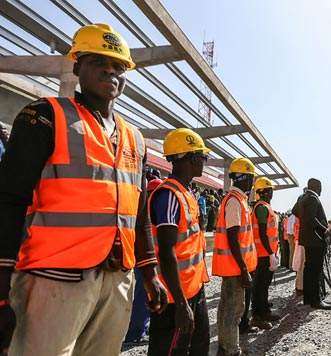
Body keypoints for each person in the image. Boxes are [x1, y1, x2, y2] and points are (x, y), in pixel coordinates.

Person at [0, 23, 168, 355]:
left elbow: (139, 211)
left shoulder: (134, 138)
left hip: (117, 278)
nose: (110, 70)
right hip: (54, 279)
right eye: (97, 61)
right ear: (77, 66)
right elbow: (9, 200)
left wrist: (150, 272)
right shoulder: (45, 117)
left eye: (118, 65)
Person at [147, 129, 211, 355]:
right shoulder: (169, 196)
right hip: (175, 298)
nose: (204, 162)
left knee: (199, 345)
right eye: (203, 157)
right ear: (192, 158)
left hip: (193, 289)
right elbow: (166, 252)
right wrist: (182, 304)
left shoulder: (186, 192)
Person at [212, 158, 257, 356]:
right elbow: (233, 238)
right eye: (251, 178)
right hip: (235, 267)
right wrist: (244, 269)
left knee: (226, 308)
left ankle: (225, 346)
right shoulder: (234, 202)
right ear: (244, 178)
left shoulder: (237, 201)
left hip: (233, 266)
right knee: (234, 310)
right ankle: (232, 350)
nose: (252, 183)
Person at [124, 177, 163, 344]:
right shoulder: (153, 211)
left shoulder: (144, 209)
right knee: (143, 296)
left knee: (141, 295)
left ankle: (138, 329)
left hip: (141, 259)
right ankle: (135, 333)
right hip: (145, 261)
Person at [292, 178, 331, 310]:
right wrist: (324, 229)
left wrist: (304, 220)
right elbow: (311, 218)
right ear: (316, 187)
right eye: (320, 187)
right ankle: (316, 300)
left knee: (309, 269)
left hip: (307, 239)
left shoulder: (303, 197)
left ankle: (308, 298)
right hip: (315, 240)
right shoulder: (313, 198)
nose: (321, 190)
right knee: (315, 270)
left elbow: (295, 211)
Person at [250, 177, 281, 329]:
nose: (272, 193)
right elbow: (262, 234)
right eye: (270, 190)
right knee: (260, 285)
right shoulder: (261, 208)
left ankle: (265, 311)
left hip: (267, 253)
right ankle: (257, 315)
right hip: (262, 254)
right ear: (264, 192)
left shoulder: (266, 207)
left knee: (264, 284)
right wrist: (270, 253)